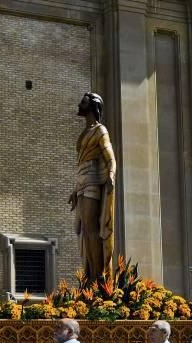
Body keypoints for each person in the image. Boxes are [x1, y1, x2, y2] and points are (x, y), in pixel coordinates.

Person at [69, 92, 116, 281]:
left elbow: (109, 156)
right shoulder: (84, 133)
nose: (79, 104)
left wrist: (111, 174)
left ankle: (99, 279)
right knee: (82, 232)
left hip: (92, 183)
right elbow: (81, 162)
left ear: (92, 106)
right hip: (81, 184)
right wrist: (74, 189)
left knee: (91, 229)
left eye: (83, 102)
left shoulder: (100, 131)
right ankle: (89, 276)